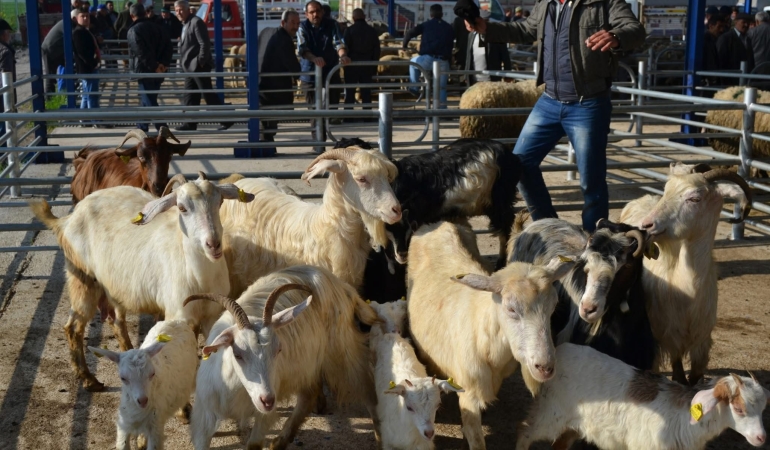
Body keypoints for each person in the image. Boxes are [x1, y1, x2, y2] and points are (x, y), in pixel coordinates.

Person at [464, 0, 645, 231]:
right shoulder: (546, 4)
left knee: (592, 181)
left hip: (588, 103)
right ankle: (550, 228)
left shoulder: (604, 3)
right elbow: (525, 29)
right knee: (519, 163)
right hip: (549, 100)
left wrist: (616, 36)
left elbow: (635, 29)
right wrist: (486, 27)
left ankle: (594, 242)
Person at [297, 0, 350, 150]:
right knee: (314, 110)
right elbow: (302, 47)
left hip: (330, 70)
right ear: (306, 14)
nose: (315, 14)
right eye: (312, 12)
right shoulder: (303, 27)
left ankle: (324, 132)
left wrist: (343, 55)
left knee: (332, 105)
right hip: (310, 74)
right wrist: (314, 58)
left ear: (322, 12)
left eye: (318, 11)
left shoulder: (331, 25)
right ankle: (319, 143)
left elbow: (338, 42)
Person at [174, 0, 233, 131]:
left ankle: (228, 118)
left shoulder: (196, 22)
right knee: (190, 95)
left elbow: (204, 44)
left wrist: (200, 61)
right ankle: (190, 123)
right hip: (189, 67)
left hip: (197, 66)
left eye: (181, 9)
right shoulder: (186, 24)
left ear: (188, 9)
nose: (178, 13)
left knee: (207, 94)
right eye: (176, 10)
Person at [257, 10, 301, 142]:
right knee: (270, 120)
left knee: (264, 119)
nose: (296, 26)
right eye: (292, 23)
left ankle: (267, 145)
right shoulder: (284, 39)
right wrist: (298, 72)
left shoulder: (266, 31)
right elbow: (292, 64)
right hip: (274, 87)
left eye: (298, 23)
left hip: (259, 82)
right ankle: (266, 145)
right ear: (283, 22)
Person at [128, 2, 172, 132]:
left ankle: (163, 129)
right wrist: (163, 64)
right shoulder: (158, 27)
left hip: (144, 71)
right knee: (147, 99)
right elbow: (168, 47)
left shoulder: (133, 30)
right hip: (159, 70)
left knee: (149, 101)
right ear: (145, 13)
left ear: (132, 16)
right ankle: (141, 127)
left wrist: (154, 66)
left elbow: (140, 52)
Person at [402, 4, 454, 108]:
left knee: (413, 63)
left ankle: (415, 88)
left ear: (431, 14)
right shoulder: (449, 27)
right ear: (442, 14)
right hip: (443, 61)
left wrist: (404, 45)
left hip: (428, 59)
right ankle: (442, 110)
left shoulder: (426, 25)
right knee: (442, 87)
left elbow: (409, 33)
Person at [343, 8, 380, 120]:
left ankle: (348, 117)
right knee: (366, 91)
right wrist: (374, 65)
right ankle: (367, 116)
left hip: (352, 66)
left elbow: (345, 47)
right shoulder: (372, 31)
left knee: (350, 91)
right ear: (364, 17)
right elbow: (377, 50)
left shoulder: (349, 31)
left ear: (353, 18)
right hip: (367, 65)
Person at [72, 6, 104, 126]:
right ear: (76, 18)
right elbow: (82, 53)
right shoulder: (78, 33)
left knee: (86, 94)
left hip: (87, 68)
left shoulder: (84, 31)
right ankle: (95, 119)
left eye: (87, 16)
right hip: (88, 68)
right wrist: (94, 63)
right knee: (92, 95)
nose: (86, 18)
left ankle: (84, 118)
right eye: (83, 16)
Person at [466, 9, 511, 84]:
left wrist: (508, 75)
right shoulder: (471, 35)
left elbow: (505, 56)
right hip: (475, 79)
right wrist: (466, 75)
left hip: (492, 79)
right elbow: (469, 56)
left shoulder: (496, 36)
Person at [0, 19, 16, 148]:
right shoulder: (5, 52)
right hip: (2, 98)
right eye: (8, 33)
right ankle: (5, 158)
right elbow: (6, 76)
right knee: (4, 128)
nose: (9, 36)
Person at [702, 14, 725, 91]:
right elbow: (710, 61)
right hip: (708, 79)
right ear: (711, 26)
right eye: (719, 27)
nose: (721, 30)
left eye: (723, 27)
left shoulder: (711, 39)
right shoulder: (707, 41)